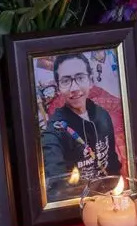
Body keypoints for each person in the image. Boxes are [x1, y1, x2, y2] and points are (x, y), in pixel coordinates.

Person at [41, 53, 122, 200]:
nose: (74, 87)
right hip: (77, 204)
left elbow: (112, 162)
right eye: (66, 81)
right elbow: (55, 181)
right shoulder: (55, 132)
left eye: (80, 78)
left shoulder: (103, 115)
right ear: (58, 87)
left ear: (90, 80)